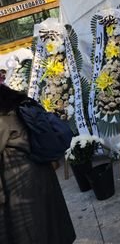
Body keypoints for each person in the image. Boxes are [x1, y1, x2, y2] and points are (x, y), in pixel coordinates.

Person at [0, 84, 76, 244]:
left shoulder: (2, 117)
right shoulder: (20, 102)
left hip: (18, 184)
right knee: (52, 224)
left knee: (33, 232)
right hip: (41, 171)